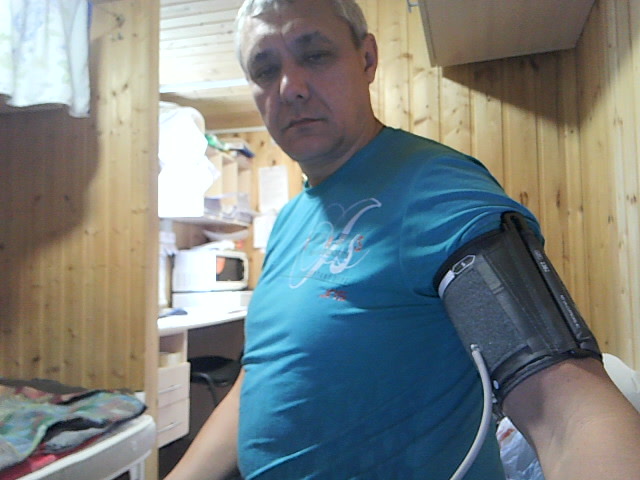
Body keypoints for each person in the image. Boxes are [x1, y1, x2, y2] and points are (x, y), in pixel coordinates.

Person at [165, 1, 640, 479]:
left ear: (367, 59)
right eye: (265, 69)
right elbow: (262, 376)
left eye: (315, 55)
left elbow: (572, 416)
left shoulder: (439, 189)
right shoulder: (290, 219)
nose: (291, 87)